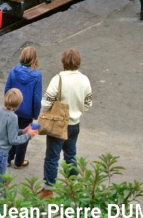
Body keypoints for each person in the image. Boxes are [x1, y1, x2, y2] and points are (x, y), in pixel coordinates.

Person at [38, 48, 92, 199]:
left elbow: (47, 101)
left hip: (58, 124)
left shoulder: (58, 79)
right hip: (75, 124)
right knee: (71, 155)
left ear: (64, 62)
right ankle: (72, 184)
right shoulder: (85, 80)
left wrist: (46, 111)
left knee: (52, 157)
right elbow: (88, 103)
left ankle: (48, 189)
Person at [0, 88, 38, 185]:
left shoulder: (1, 111)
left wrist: (23, 131)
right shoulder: (13, 117)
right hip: (1, 152)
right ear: (19, 103)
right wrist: (28, 135)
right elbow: (13, 140)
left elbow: (7, 131)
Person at [5, 47, 43, 169]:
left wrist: (7, 105)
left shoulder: (13, 71)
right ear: (34, 59)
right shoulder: (37, 75)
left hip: (13, 108)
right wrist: (35, 113)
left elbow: (7, 89)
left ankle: (7, 158)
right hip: (28, 111)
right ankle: (19, 161)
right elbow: (37, 97)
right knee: (24, 133)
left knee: (11, 131)